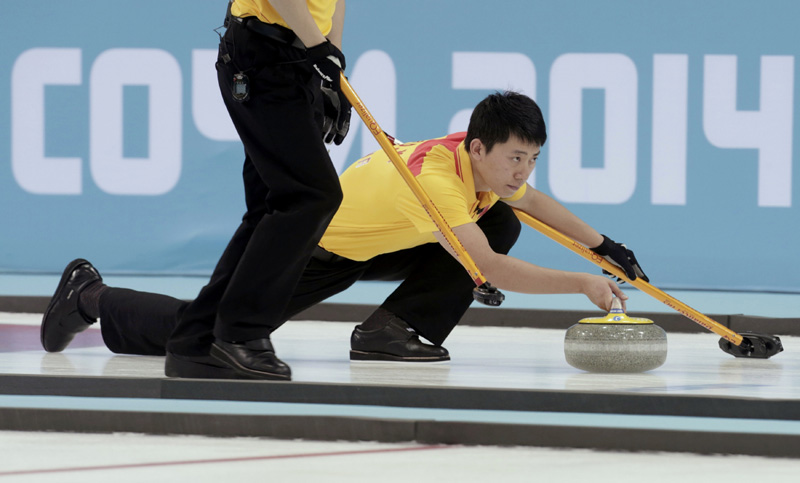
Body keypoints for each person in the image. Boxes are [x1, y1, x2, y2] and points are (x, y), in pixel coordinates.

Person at [40, 92, 648, 380]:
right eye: (517, 157)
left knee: (504, 217)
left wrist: (603, 244)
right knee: (201, 332)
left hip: (379, 240)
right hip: (319, 248)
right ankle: (89, 296)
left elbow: (532, 202)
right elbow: (487, 268)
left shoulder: (483, 167)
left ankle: (394, 331)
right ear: (480, 147)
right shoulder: (439, 180)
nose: (523, 172)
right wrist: (582, 282)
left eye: (533, 159)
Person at [39, 0, 352, 381]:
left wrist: (328, 65)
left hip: (298, 58)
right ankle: (238, 335)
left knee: (273, 206)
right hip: (266, 53)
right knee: (311, 194)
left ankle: (197, 341)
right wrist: (319, 49)